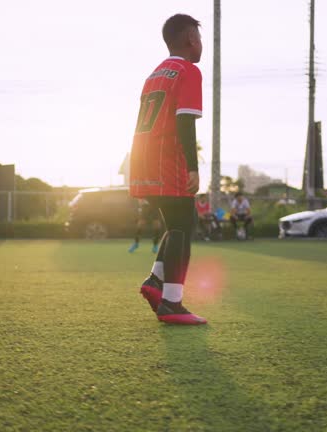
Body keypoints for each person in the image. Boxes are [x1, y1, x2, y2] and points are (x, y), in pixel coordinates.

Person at [130, 14, 206, 325]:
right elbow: (185, 121)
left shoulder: (155, 73)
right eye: (199, 38)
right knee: (182, 227)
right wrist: (193, 167)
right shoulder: (189, 70)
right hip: (167, 157)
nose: (201, 45)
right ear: (190, 39)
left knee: (179, 224)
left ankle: (155, 281)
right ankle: (172, 303)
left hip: (143, 158)